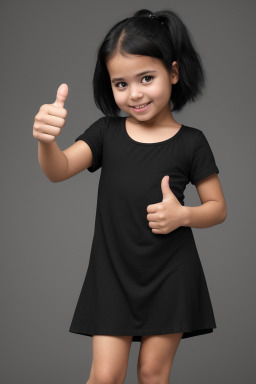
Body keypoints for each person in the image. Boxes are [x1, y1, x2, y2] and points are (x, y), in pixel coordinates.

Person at [33, 8, 227, 384]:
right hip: (113, 273)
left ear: (173, 73)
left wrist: (183, 216)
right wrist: (46, 141)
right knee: (105, 377)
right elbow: (58, 170)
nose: (134, 93)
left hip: (171, 273)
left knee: (152, 374)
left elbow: (218, 209)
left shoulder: (192, 141)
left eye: (146, 78)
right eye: (120, 84)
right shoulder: (106, 132)